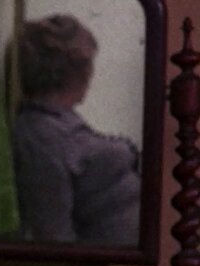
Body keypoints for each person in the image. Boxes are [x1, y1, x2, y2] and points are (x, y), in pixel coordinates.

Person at [12, 13, 141, 245]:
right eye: (90, 65)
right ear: (76, 72)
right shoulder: (40, 135)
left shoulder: (60, 118)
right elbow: (53, 235)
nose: (92, 75)